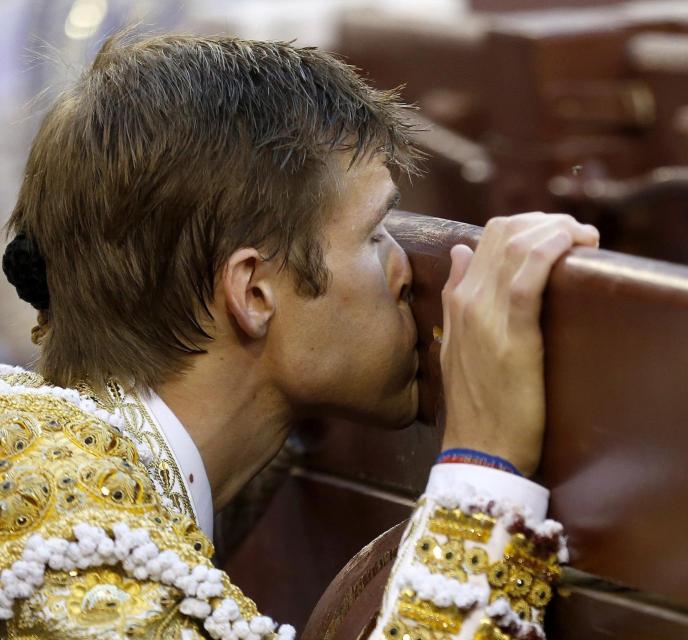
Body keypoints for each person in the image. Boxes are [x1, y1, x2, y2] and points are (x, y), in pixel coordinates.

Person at [0, 32, 599, 639]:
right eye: (374, 235)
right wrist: (484, 471)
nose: (405, 271)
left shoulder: (64, 475)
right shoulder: (83, 557)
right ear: (254, 294)